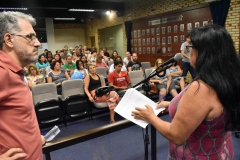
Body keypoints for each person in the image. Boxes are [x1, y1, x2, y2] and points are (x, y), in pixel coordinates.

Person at [132, 24, 240, 159]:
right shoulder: (227, 78)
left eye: (192, 48)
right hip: (221, 150)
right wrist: (172, 104)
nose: (189, 52)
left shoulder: (202, 88)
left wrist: (150, 117)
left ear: (204, 53)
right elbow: (206, 110)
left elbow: (176, 135)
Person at [0, 11, 46, 159]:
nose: (38, 43)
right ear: (9, 39)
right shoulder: (2, 72)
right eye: (30, 37)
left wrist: (33, 138)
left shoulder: (15, 71)